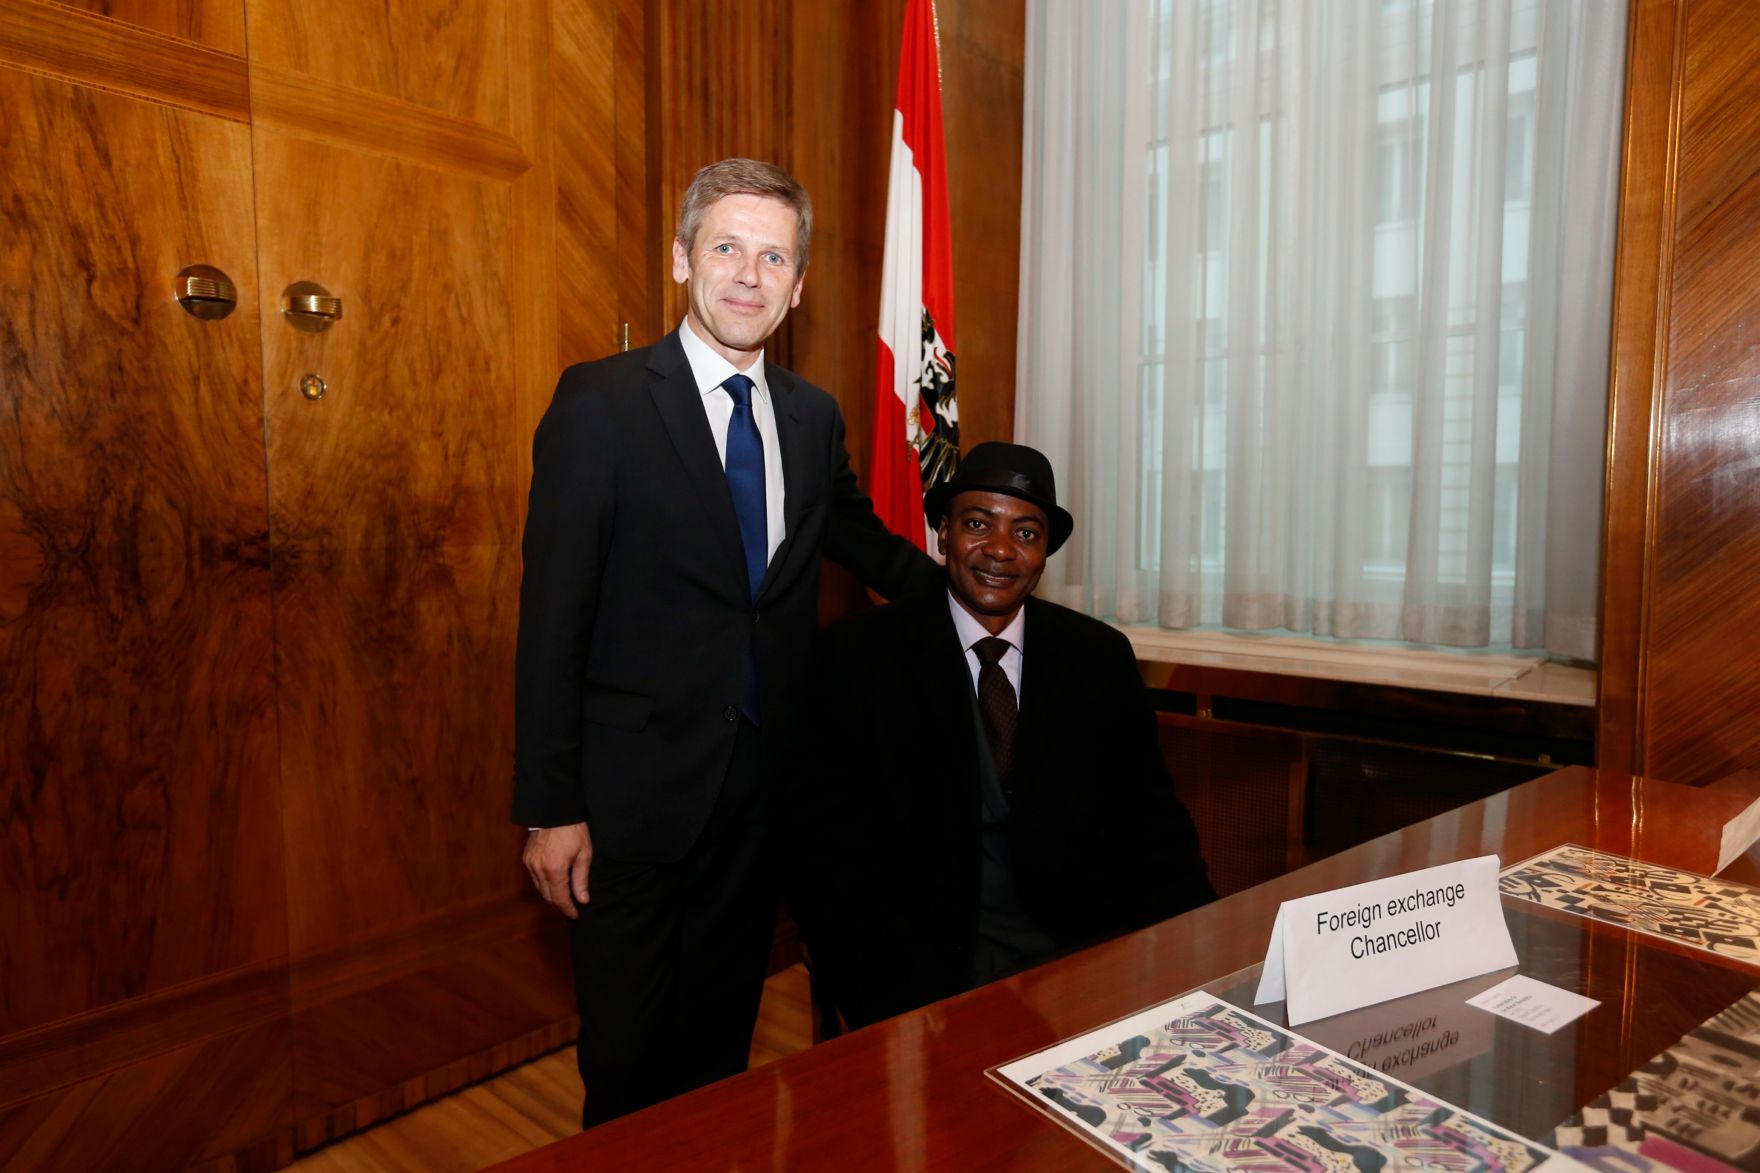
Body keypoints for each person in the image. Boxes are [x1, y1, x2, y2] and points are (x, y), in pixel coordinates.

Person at [512, 158, 939, 1126]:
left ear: (798, 283)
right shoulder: (600, 403)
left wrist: (972, 592)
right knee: (624, 1066)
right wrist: (549, 807)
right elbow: (551, 622)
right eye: (727, 248)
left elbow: (856, 538)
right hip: (625, 806)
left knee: (717, 1055)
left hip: (761, 798)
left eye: (773, 255)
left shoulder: (809, 412)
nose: (749, 274)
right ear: (681, 260)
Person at [793, 442, 1216, 1030]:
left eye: (1025, 533)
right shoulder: (861, 657)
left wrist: (1206, 955)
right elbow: (827, 855)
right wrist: (885, 1007)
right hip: (921, 977)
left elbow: (1154, 827)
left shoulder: (1097, 657)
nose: (999, 550)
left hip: (1080, 963)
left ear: (1045, 553)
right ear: (942, 535)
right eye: (976, 524)